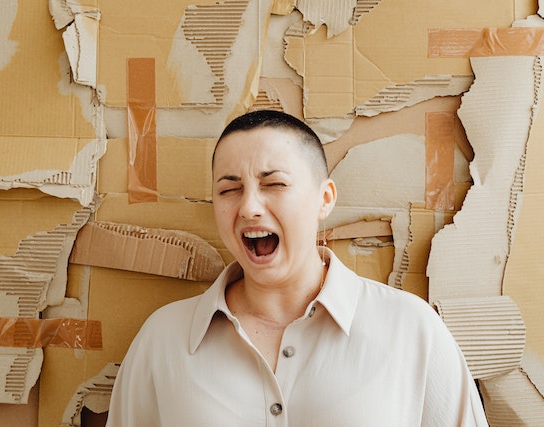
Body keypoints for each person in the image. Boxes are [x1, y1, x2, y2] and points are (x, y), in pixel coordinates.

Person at [106, 110, 488, 426]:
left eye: (273, 184)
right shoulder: (162, 340)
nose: (249, 207)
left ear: (324, 199)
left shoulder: (412, 331)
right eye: (228, 189)